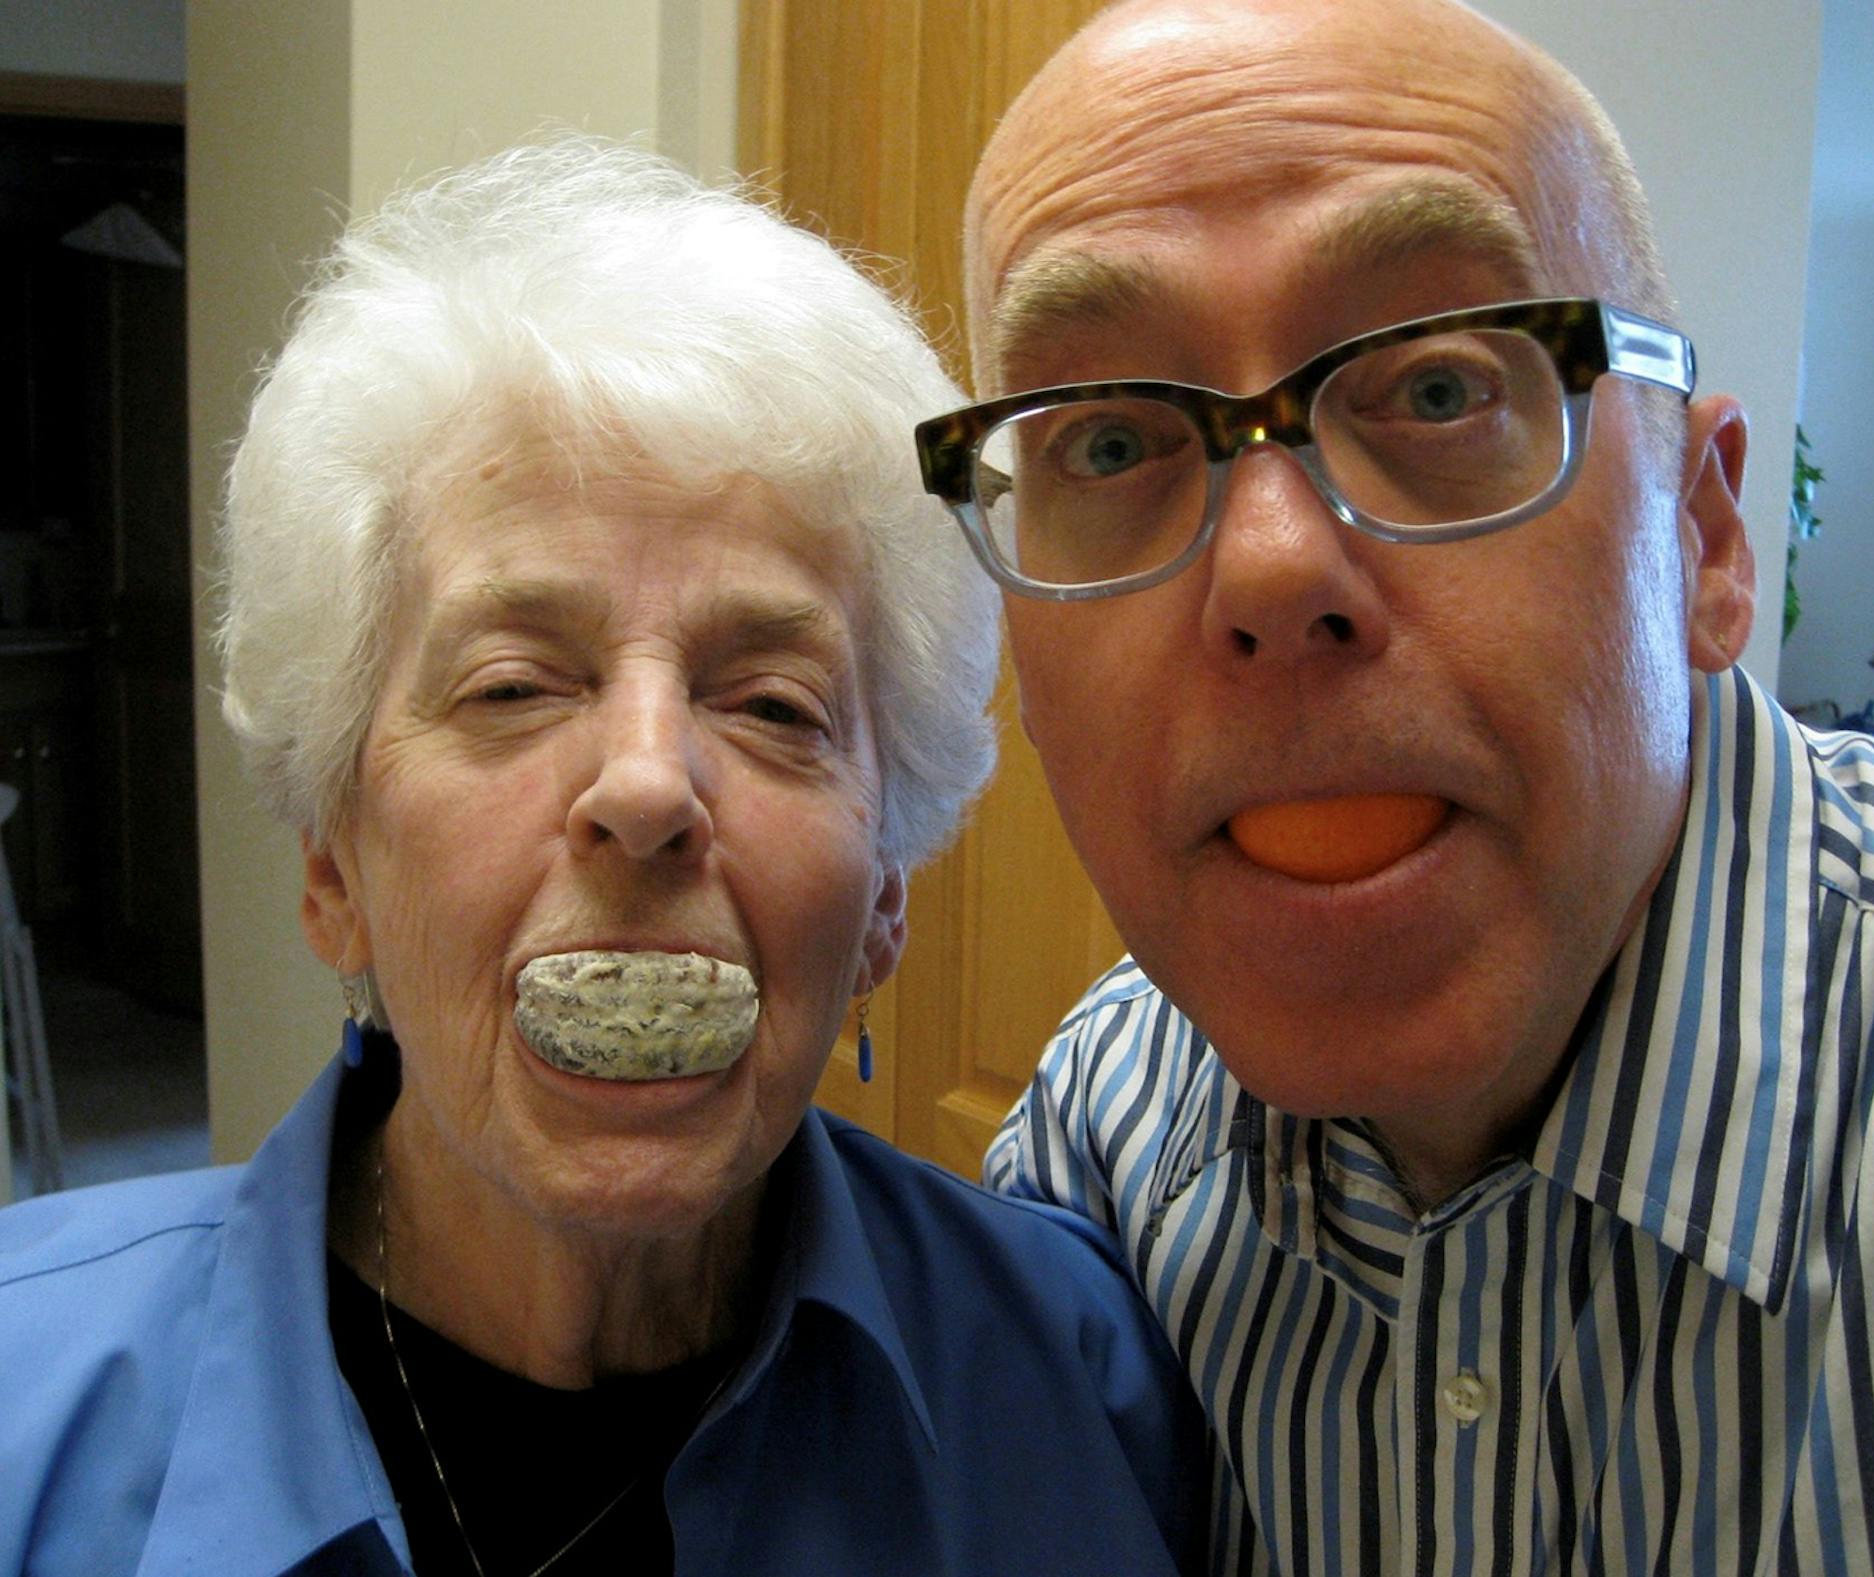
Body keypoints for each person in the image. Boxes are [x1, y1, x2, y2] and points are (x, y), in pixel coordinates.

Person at [920, 0, 1874, 1569]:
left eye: (1439, 391)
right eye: (1105, 444)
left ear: (1707, 538)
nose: (1275, 563)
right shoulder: (1104, 1146)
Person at [0, 138, 1206, 1576]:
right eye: (513, 684)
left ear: (885, 887)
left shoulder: (1091, 1390)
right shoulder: (28, 1408)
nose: (647, 785)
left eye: (773, 703)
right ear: (334, 867)